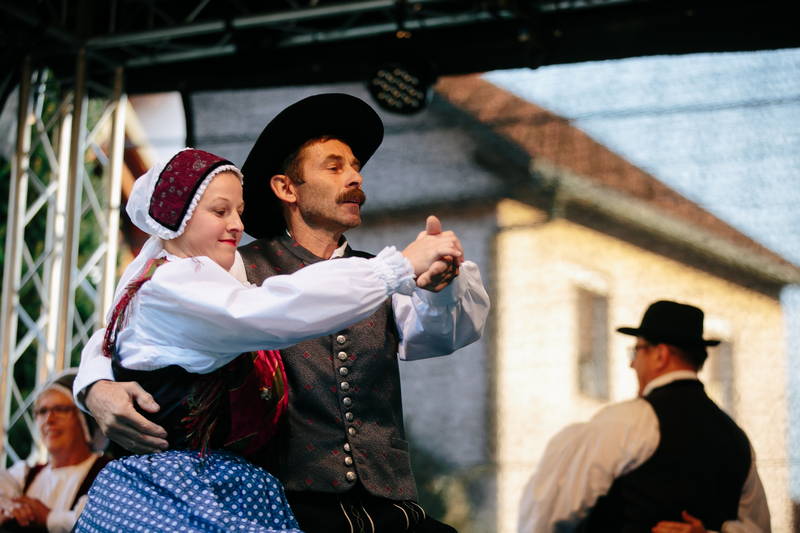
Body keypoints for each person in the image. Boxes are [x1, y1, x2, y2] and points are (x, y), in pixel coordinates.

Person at [75, 94, 490, 532]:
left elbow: (442, 336)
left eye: (355, 167)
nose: (355, 177)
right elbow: (129, 326)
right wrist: (94, 385)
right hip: (279, 503)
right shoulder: (231, 271)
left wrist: (439, 288)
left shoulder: (374, 273)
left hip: (384, 499)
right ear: (286, 188)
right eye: (334, 167)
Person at [517, 300, 771, 533]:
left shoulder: (628, 421)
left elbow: (547, 514)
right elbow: (758, 528)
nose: (632, 364)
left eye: (636, 351)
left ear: (660, 355)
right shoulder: (736, 439)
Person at [0, 370, 110, 533]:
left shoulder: (107, 475)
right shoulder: (23, 476)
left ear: (84, 419)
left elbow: (101, 523)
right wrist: (7, 508)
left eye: (60, 409)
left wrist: (48, 518)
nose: (49, 420)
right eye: (42, 411)